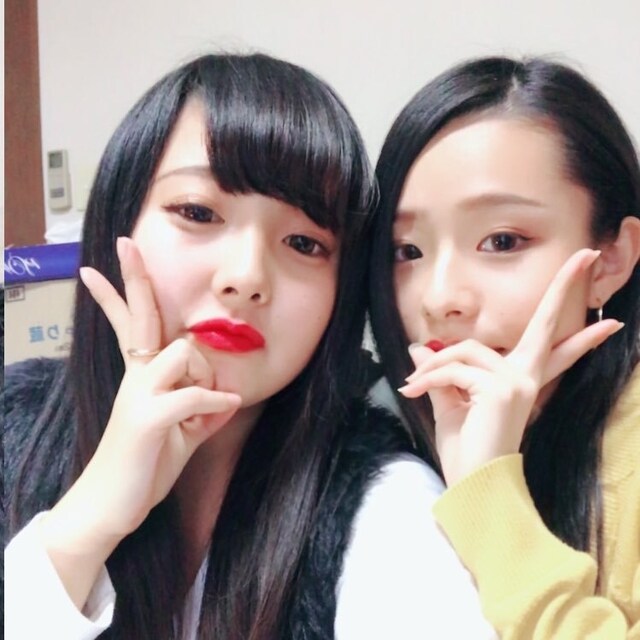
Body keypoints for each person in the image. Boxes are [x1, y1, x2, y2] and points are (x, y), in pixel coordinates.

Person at [3, 53, 495, 639]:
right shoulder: (13, 424)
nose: (247, 276)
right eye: (198, 212)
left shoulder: (384, 506)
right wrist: (85, 525)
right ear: (119, 221)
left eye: (304, 243)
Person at [368, 55, 640, 638]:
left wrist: (487, 489)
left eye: (502, 241)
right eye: (407, 251)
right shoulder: (379, 446)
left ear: (611, 260)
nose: (440, 298)